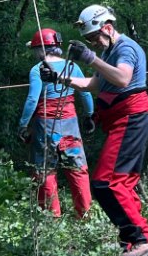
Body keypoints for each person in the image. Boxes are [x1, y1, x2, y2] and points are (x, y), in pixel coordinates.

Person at [41, 5, 148, 256]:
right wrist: (59, 78)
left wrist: (89, 58)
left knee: (106, 182)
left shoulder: (125, 48)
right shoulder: (108, 52)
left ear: (107, 27)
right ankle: (135, 240)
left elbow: (122, 79)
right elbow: (95, 84)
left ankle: (143, 238)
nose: (93, 44)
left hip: (131, 117)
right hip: (121, 119)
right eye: (89, 41)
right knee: (123, 183)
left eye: (94, 37)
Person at [18, 28, 95, 218]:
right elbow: (85, 92)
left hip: (45, 125)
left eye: (35, 49)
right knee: (77, 168)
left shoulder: (38, 69)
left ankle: (51, 218)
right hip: (70, 123)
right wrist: (90, 115)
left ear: (42, 49)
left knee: (45, 170)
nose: (35, 54)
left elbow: (32, 100)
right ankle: (85, 215)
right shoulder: (72, 66)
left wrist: (22, 125)